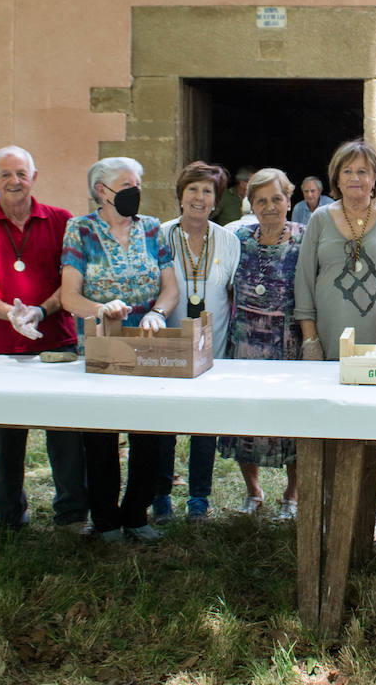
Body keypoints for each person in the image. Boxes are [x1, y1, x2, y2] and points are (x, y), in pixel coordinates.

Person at [0, 146, 87, 532]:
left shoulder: (62, 221)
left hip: (55, 345)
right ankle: (11, 515)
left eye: (22, 173)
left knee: (65, 435)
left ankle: (72, 515)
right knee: (3, 438)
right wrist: (10, 314)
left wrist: (39, 311)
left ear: (34, 176)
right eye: (6, 174)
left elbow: (71, 285)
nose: (15, 181)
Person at [295, 138, 376, 538]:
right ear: (336, 177)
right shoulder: (319, 220)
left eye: (363, 171)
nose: (355, 178)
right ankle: (331, 508)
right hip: (331, 342)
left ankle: (369, 510)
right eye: (347, 171)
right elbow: (304, 282)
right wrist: (310, 339)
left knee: (371, 432)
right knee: (331, 426)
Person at [61, 157, 182, 542]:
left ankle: (137, 514)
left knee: (150, 432)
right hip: (103, 345)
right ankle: (105, 520)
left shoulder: (151, 229)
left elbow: (170, 286)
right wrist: (100, 309)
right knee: (100, 434)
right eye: (128, 184)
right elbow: (69, 296)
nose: (136, 191)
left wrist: (159, 313)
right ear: (103, 191)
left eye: (138, 183)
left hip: (148, 345)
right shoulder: (80, 230)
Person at [156, 162, 241, 520]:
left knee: (205, 426)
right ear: (180, 195)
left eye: (207, 191)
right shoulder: (159, 236)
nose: (199, 197)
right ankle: (159, 495)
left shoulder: (228, 240)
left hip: (214, 350)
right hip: (166, 349)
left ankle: (198, 499)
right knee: (163, 425)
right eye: (193, 189)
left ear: (216, 201)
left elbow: (235, 295)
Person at [221, 168, 304, 520]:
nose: (269, 207)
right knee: (246, 418)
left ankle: (293, 493)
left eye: (276, 198)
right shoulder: (237, 238)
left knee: (293, 423)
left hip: (289, 344)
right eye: (261, 200)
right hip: (245, 343)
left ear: (288, 200)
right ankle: (253, 490)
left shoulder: (305, 237)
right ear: (250, 204)